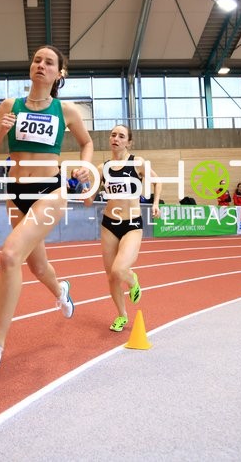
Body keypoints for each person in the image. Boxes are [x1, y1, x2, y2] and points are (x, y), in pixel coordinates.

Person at [0, 45, 94, 377]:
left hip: (51, 191)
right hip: (16, 192)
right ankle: (60, 291)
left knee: (10, 256)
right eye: (37, 60)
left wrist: (84, 167)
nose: (40, 64)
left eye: (49, 62)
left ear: (59, 73)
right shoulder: (11, 105)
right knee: (37, 265)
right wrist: (1, 131)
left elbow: (87, 142)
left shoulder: (65, 110)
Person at [95, 124, 161, 333]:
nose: (116, 138)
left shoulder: (137, 163)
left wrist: (156, 203)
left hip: (132, 223)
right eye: (113, 134)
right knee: (111, 276)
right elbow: (90, 192)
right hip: (109, 224)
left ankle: (133, 281)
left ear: (128, 142)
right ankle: (122, 315)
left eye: (121, 136)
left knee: (119, 270)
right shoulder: (101, 168)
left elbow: (157, 182)